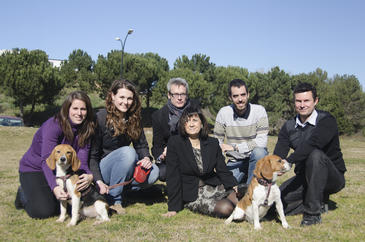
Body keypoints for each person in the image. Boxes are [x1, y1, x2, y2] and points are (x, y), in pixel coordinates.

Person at [274, 82, 346, 226]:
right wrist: (275, 166)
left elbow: (313, 144)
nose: (302, 105)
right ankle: (319, 202)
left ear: (316, 101)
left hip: (332, 178)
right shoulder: (288, 126)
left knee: (315, 155)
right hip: (304, 177)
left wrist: (289, 161)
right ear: (294, 102)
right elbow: (278, 155)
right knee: (276, 203)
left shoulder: (327, 121)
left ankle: (312, 214)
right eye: (298, 101)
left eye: (306, 100)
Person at [15, 91, 95, 219]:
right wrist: (55, 188)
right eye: (75, 108)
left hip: (62, 170)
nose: (79, 113)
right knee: (43, 211)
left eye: (83, 109)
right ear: (67, 109)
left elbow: (82, 161)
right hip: (35, 168)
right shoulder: (53, 125)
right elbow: (46, 160)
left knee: (67, 204)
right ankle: (23, 195)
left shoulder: (87, 129)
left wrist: (89, 176)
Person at [89, 79, 159, 215]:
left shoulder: (134, 118)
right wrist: (97, 180)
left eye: (129, 98)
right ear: (112, 96)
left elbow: (141, 145)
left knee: (154, 171)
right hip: (103, 170)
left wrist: (146, 158)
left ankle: (123, 190)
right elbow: (92, 155)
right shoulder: (100, 118)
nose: (125, 102)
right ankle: (114, 200)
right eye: (121, 97)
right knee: (128, 152)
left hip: (124, 166)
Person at [162, 105, 238, 218]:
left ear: (202, 123)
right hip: (192, 193)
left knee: (241, 197)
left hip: (213, 186)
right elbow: (173, 176)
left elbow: (222, 169)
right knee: (226, 208)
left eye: (195, 120)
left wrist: (233, 184)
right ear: (183, 124)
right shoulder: (175, 143)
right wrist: (173, 208)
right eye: (187, 121)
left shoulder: (212, 143)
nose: (191, 124)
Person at [214, 79, 269, 185]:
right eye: (235, 96)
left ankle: (250, 191)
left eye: (243, 95)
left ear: (248, 95)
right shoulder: (224, 113)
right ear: (230, 97)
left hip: (256, 159)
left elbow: (262, 142)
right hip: (235, 161)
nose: (240, 99)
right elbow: (217, 142)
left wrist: (236, 148)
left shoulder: (259, 111)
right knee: (222, 189)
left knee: (259, 152)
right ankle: (242, 183)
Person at [151, 77, 198, 181]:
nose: (179, 98)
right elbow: (157, 146)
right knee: (163, 172)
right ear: (169, 95)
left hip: (192, 155)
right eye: (175, 94)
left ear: (187, 95)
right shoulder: (158, 116)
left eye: (183, 94)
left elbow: (202, 138)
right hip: (169, 159)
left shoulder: (195, 111)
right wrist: (162, 155)